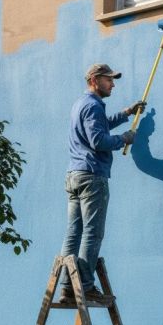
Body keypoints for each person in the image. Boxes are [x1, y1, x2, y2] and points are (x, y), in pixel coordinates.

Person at [58, 63, 145, 304]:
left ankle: (67, 285)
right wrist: (124, 139)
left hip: (75, 174)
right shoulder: (93, 106)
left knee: (74, 231)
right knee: (93, 232)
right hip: (92, 175)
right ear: (95, 80)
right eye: (109, 79)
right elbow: (98, 140)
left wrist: (127, 112)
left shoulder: (81, 104)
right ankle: (84, 285)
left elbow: (100, 126)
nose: (113, 84)